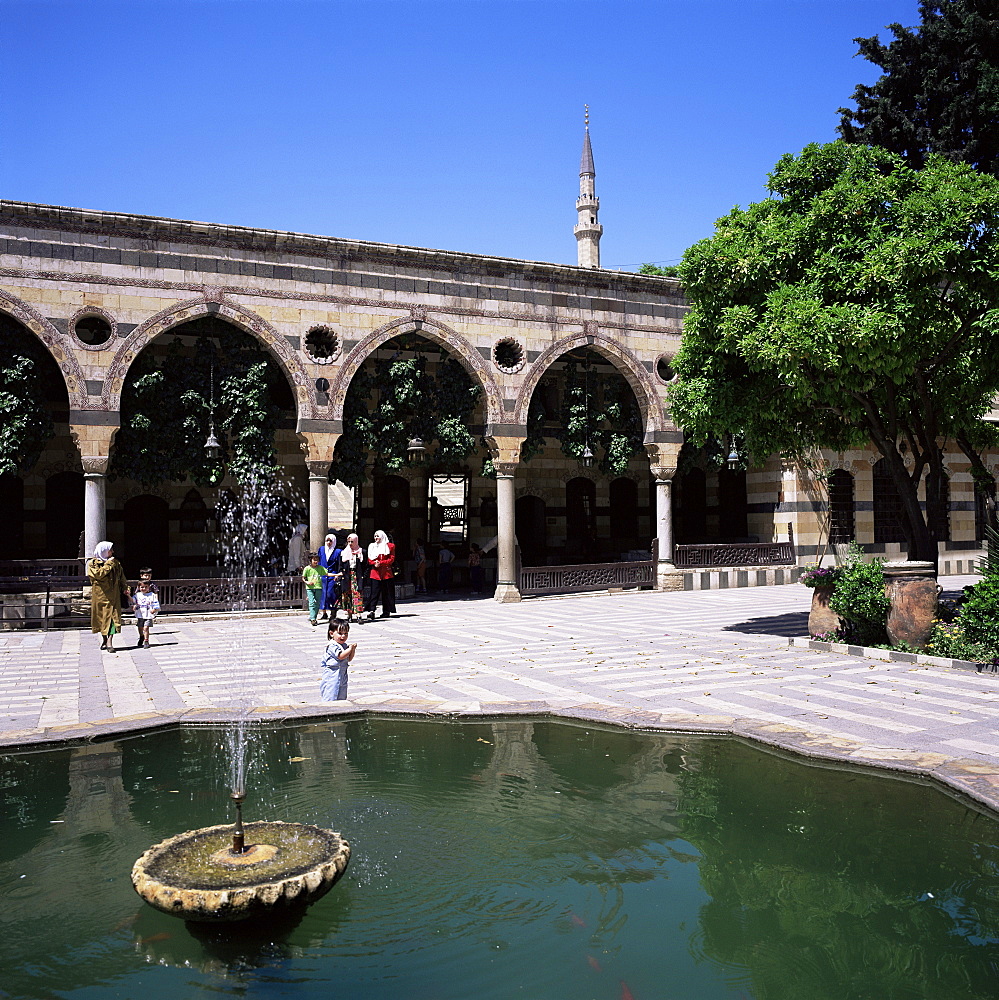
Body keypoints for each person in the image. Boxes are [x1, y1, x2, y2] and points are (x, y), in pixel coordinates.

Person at [87, 541, 130, 654]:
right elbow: (98, 575)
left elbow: (122, 577)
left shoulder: (116, 563)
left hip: (114, 596)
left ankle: (110, 642)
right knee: (102, 619)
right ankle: (104, 640)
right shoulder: (93, 564)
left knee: (112, 619)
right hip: (101, 597)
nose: (112, 552)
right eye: (110, 550)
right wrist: (108, 565)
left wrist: (125, 588)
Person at [320, 620, 356, 701]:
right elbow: (340, 656)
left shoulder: (344, 645)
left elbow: (349, 658)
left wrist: (352, 650)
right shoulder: (332, 645)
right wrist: (350, 649)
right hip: (332, 674)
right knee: (331, 694)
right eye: (340, 633)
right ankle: (328, 710)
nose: (343, 636)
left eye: (346, 633)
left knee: (342, 695)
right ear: (331, 633)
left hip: (342, 674)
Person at [365, 529, 396, 620]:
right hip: (375, 573)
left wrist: (381, 563)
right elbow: (369, 558)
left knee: (386, 593)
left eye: (378, 536)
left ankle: (386, 611)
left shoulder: (390, 546)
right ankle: (372, 611)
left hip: (386, 573)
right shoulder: (372, 546)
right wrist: (374, 563)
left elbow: (391, 559)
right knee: (374, 593)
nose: (376, 538)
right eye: (375, 536)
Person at [338, 533, 367, 622]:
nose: (350, 543)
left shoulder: (362, 552)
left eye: (352, 541)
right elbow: (340, 566)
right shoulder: (343, 553)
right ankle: (349, 615)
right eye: (349, 541)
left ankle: (358, 615)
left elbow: (366, 566)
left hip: (357, 576)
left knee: (357, 594)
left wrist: (364, 577)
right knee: (347, 594)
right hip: (347, 576)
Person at [302, 553, 332, 627]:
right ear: (310, 560)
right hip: (310, 588)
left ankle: (313, 616)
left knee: (317, 603)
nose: (316, 561)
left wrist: (337, 574)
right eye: (314, 560)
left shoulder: (320, 568)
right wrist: (307, 582)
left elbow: (327, 574)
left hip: (318, 587)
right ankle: (313, 619)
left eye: (317, 560)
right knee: (312, 602)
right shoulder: (307, 568)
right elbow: (303, 577)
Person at [131, 567, 159, 647]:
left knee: (146, 627)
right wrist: (134, 605)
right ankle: (141, 636)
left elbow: (156, 593)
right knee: (140, 626)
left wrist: (155, 605)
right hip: (141, 609)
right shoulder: (140, 585)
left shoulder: (152, 585)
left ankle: (146, 641)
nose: (147, 577)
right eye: (145, 575)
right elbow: (136, 597)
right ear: (141, 576)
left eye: (149, 576)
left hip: (148, 608)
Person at [318, 533, 342, 621]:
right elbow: (319, 561)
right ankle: (324, 612)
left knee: (330, 594)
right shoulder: (321, 549)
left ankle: (333, 612)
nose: (328, 542)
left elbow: (339, 564)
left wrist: (338, 575)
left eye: (330, 541)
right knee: (322, 594)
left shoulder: (338, 552)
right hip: (323, 575)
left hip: (333, 575)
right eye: (327, 540)